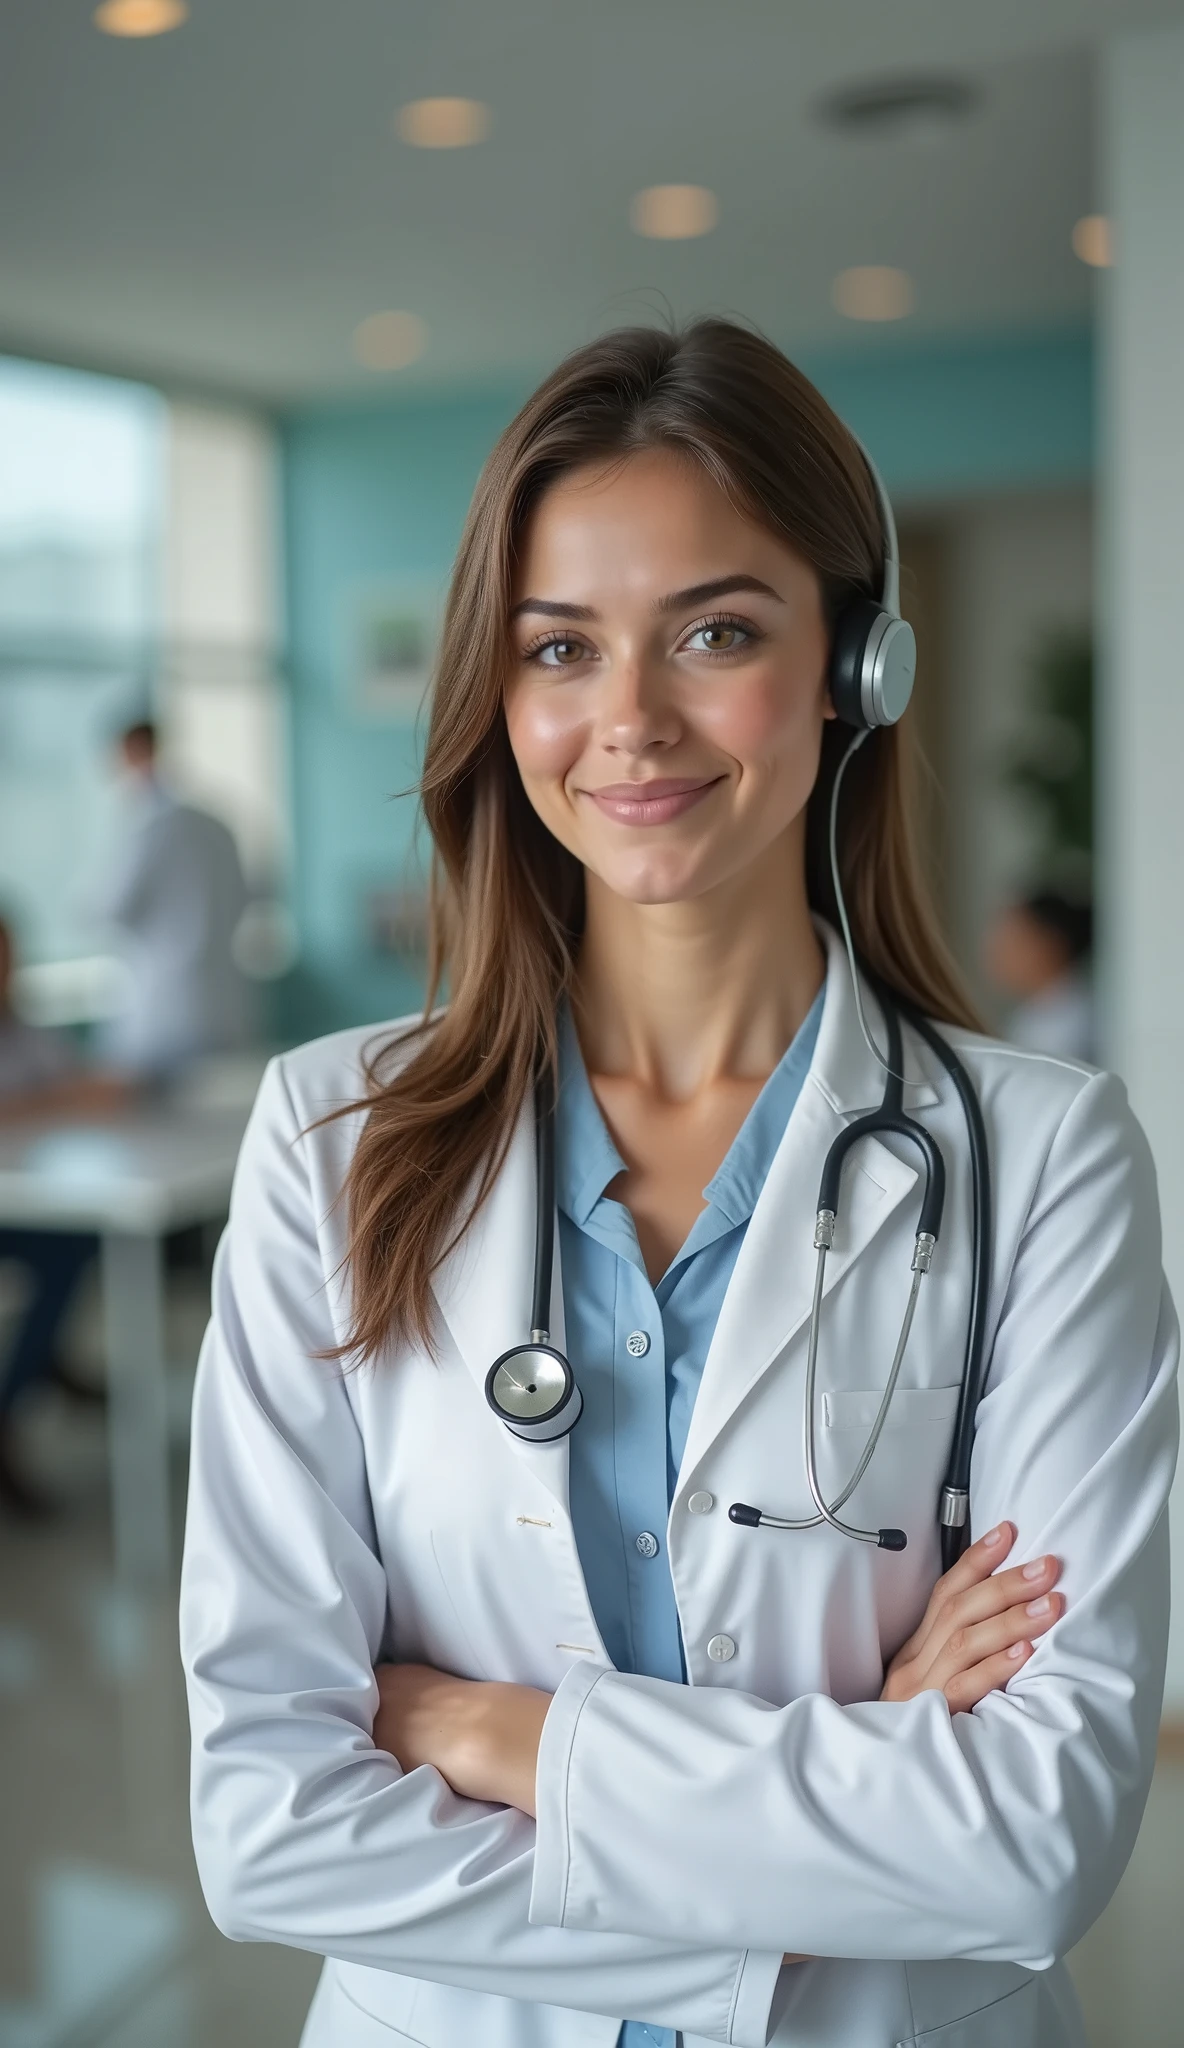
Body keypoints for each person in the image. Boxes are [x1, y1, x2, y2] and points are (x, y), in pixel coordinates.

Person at [180, 324, 1176, 2048]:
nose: (626, 719)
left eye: (713, 632)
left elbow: (1027, 1843)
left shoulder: (1041, 1153)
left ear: (854, 667)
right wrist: (811, 1883)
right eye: (559, 647)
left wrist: (499, 1735)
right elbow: (268, 1826)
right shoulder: (329, 1134)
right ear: (500, 696)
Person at [0, 913, 125, 1516]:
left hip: (28, 1199)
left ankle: (38, 1362)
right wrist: (60, 1099)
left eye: (11, 954)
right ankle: (13, 1407)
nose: (7, 969)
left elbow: (73, 1079)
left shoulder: (19, 1025)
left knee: (77, 1243)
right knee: (63, 1250)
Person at [93, 720, 252, 1079]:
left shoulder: (149, 827)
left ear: (131, 754)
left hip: (163, 1011)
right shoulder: (216, 824)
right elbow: (243, 899)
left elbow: (109, 907)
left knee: (155, 1129)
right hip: (223, 1004)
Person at [984, 891, 1095, 1063]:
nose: (997, 954)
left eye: (1013, 942)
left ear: (1051, 943)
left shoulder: (1080, 1022)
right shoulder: (1031, 1016)